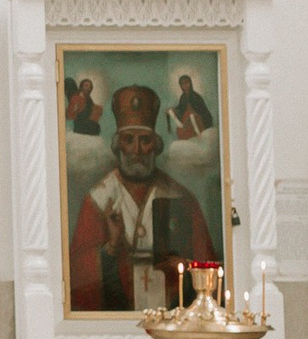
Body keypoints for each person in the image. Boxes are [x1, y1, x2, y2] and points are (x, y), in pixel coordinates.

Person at [69, 83, 222, 309]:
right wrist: (110, 248)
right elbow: (78, 275)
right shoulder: (98, 201)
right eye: (129, 140)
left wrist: (185, 268)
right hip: (116, 316)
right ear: (118, 145)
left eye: (145, 140)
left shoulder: (182, 199)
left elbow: (209, 268)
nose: (137, 150)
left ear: (156, 145)